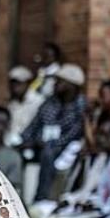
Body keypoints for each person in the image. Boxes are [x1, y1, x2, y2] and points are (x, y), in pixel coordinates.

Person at [21, 63, 87, 202]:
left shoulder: (80, 105)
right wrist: (27, 141)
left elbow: (72, 134)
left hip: (65, 148)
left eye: (60, 81)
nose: (55, 84)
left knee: (48, 152)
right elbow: (33, 126)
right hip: (40, 145)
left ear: (71, 85)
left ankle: (42, 197)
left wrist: (48, 143)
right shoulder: (50, 102)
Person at [5, 65, 44, 147]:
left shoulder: (38, 101)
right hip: (11, 143)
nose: (15, 86)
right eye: (13, 83)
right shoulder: (11, 103)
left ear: (27, 83)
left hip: (30, 144)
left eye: (18, 83)